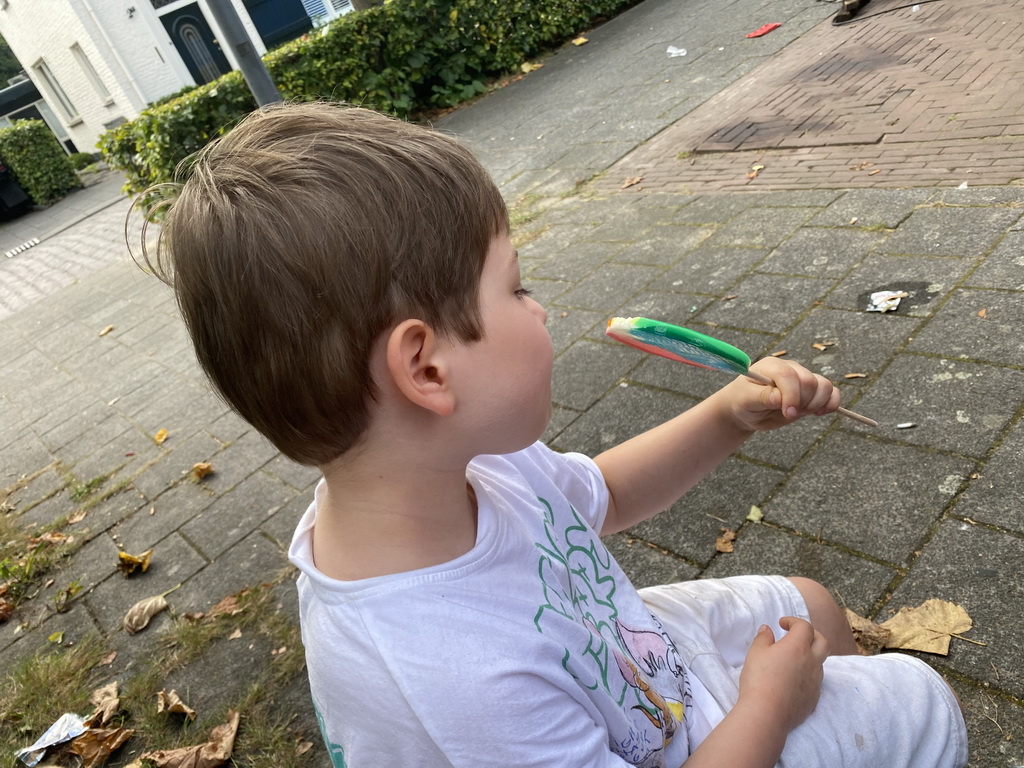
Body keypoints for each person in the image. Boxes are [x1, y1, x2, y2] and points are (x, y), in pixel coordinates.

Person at [142, 101, 967, 768]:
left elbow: (598, 496)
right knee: (921, 702)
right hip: (679, 733)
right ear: (426, 369)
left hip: (628, 660)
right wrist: (767, 707)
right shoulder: (451, 684)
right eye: (516, 287)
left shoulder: (449, 471)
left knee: (815, 606)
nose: (540, 308)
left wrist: (726, 415)